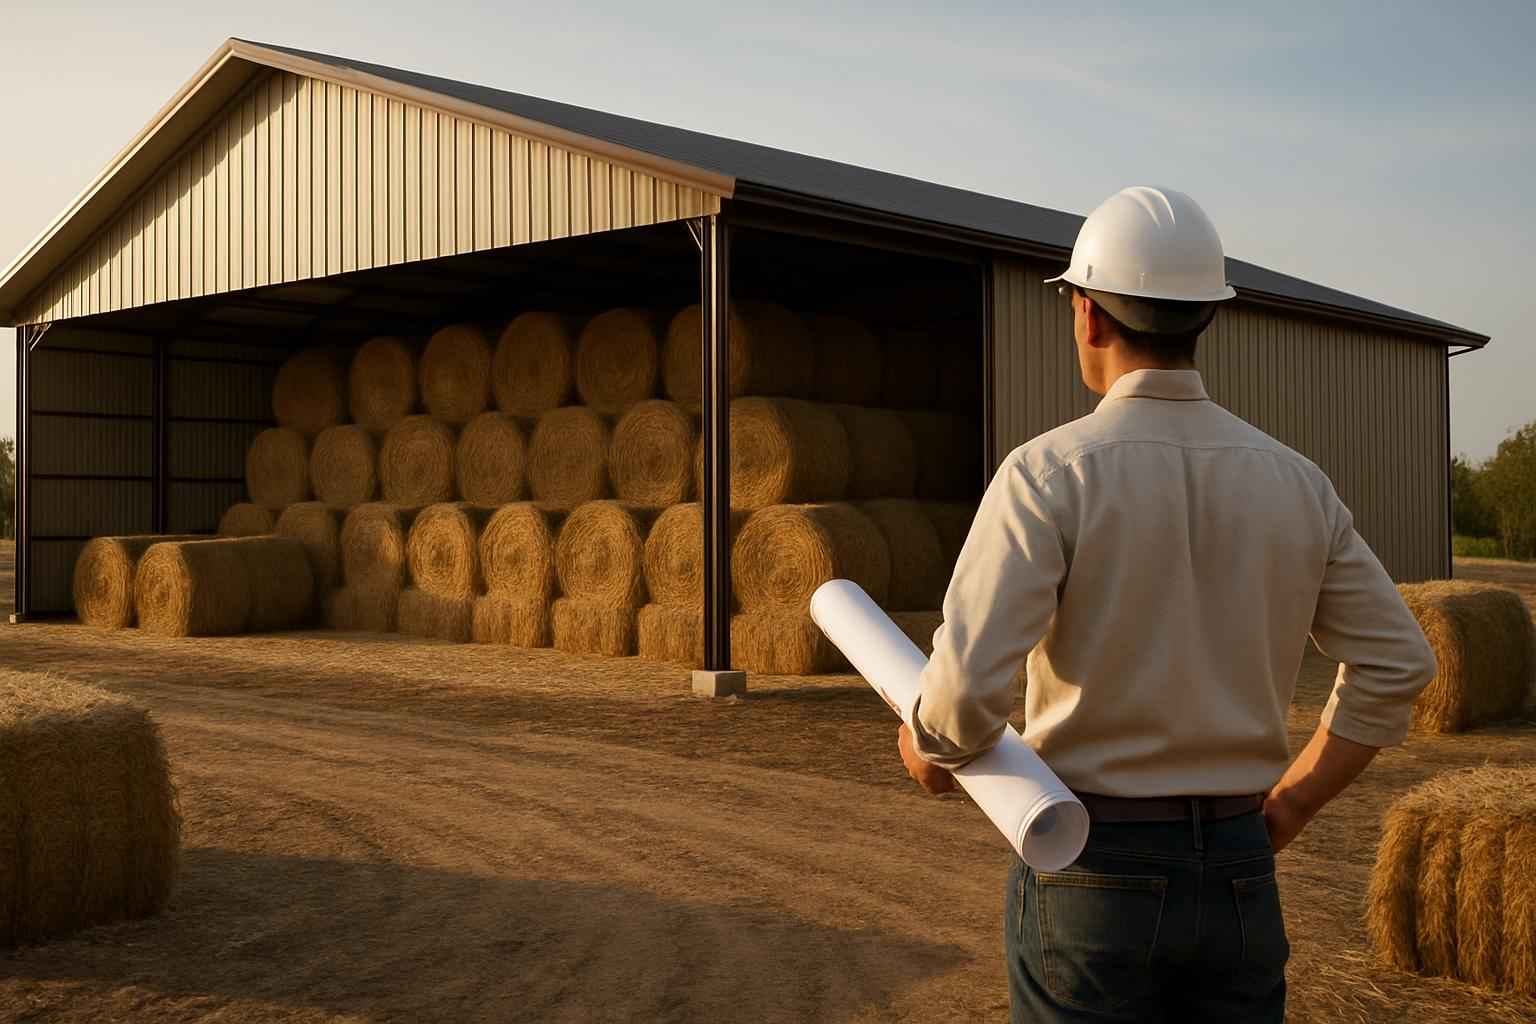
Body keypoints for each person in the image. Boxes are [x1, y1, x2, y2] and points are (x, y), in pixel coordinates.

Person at [895, 186, 1437, 1023]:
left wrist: (930, 747)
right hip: (1240, 871)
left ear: (1088, 315)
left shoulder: (1047, 475)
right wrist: (1291, 803)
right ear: (1205, 318)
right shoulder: (1296, 482)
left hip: (1091, 864)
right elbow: (1399, 661)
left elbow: (962, 695)